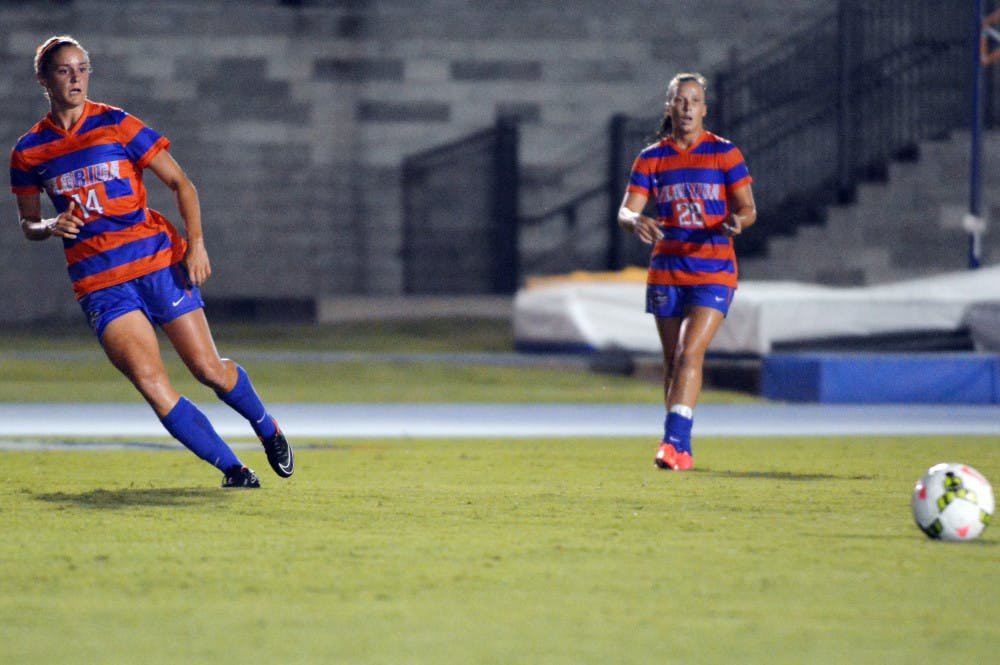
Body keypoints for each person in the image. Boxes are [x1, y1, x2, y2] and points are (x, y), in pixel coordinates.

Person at [9, 35, 294, 488]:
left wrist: (196, 245)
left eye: (83, 68)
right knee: (152, 383)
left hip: (158, 265)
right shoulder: (28, 151)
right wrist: (50, 226)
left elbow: (182, 184)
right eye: (65, 70)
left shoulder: (118, 124)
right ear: (44, 78)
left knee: (207, 370)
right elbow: (29, 225)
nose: (77, 77)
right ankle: (234, 470)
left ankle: (267, 427)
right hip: (101, 284)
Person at [618, 72, 756, 471]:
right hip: (667, 269)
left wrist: (738, 222)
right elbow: (627, 208)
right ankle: (681, 447)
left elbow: (749, 208)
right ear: (669, 107)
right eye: (681, 101)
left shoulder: (725, 154)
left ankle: (671, 442)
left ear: (704, 109)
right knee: (672, 361)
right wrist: (634, 221)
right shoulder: (651, 159)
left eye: (695, 101)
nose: (688, 108)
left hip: (714, 267)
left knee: (689, 350)